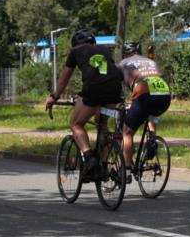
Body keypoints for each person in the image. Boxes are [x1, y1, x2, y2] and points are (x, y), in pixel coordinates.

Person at [45, 28, 124, 175]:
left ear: (75, 43)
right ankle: (104, 166)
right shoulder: (104, 49)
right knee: (103, 124)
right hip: (114, 89)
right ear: (93, 41)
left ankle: (89, 158)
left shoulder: (76, 51)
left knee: (76, 124)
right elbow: (109, 71)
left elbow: (64, 78)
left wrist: (54, 96)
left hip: (93, 90)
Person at [118, 40, 171, 182]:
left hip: (144, 93)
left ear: (125, 53)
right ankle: (152, 140)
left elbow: (117, 87)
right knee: (151, 112)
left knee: (127, 132)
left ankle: (127, 170)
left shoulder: (123, 64)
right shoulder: (150, 61)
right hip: (165, 93)